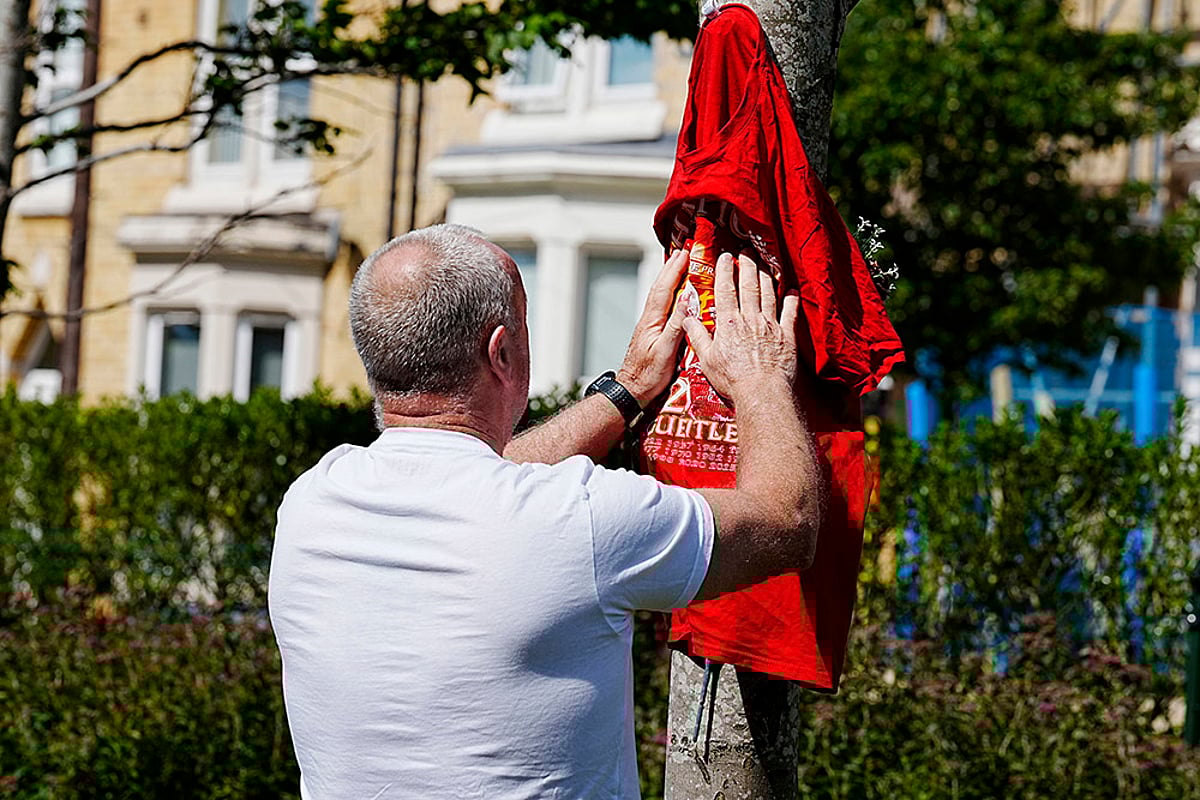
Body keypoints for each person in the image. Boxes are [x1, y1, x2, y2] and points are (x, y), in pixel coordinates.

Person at [268, 223, 823, 799]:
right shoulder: (578, 519)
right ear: (501, 351)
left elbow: (486, 473)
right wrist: (759, 377)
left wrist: (627, 390)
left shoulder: (311, 503)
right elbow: (785, 521)